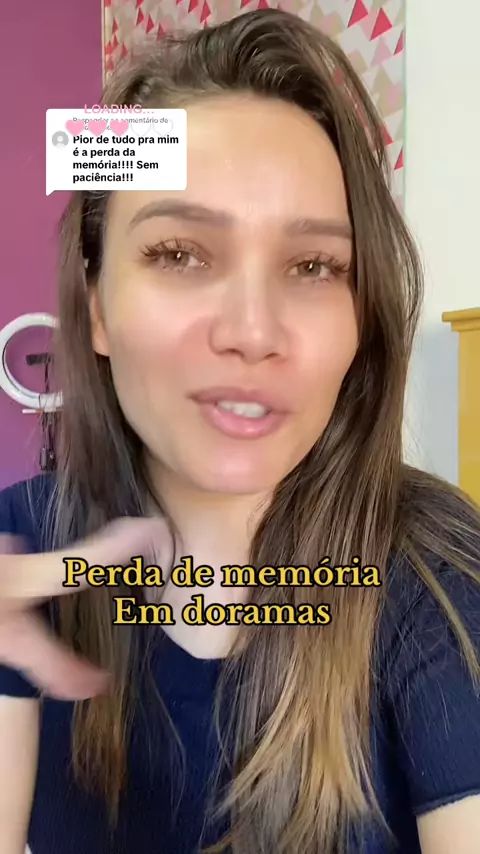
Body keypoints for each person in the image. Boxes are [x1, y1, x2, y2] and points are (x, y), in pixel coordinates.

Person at [1, 8, 479, 854]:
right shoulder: (19, 550)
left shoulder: (437, 574)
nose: (254, 332)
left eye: (314, 266)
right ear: (97, 305)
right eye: (180, 254)